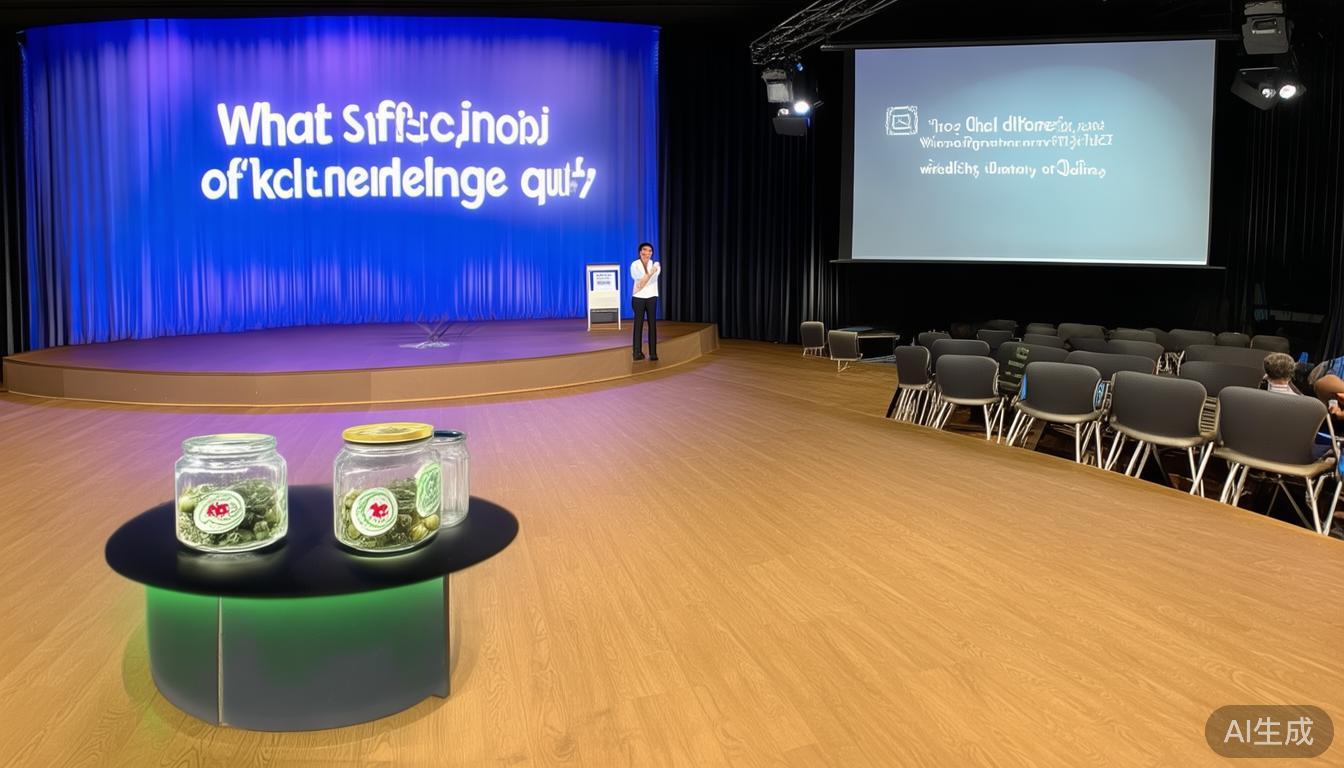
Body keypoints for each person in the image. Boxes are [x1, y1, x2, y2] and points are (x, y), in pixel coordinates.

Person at [630, 242, 660, 361]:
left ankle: (653, 353)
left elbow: (650, 280)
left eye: (649, 251)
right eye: (644, 250)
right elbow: (637, 278)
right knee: (638, 324)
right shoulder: (634, 264)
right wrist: (649, 274)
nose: (647, 252)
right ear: (640, 252)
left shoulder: (656, 264)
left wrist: (644, 279)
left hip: (652, 296)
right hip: (638, 297)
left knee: (652, 324)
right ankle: (637, 352)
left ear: (652, 253)